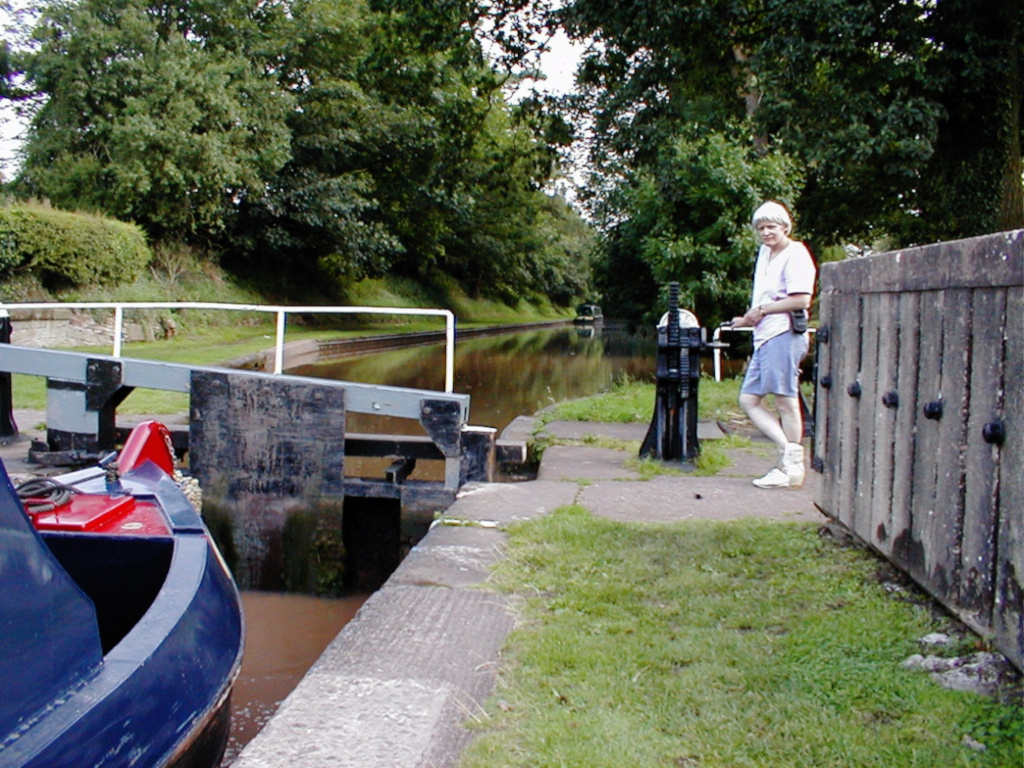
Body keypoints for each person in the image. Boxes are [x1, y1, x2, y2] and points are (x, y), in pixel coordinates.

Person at [731, 201, 816, 489]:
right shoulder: (765, 254)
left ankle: (790, 466)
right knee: (749, 400)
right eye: (761, 228)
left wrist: (763, 311)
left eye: (771, 227)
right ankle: (788, 455)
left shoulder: (796, 254)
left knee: (785, 399)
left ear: (784, 227)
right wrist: (747, 318)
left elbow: (801, 300)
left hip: (784, 334)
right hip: (765, 335)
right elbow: (763, 301)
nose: (766, 232)